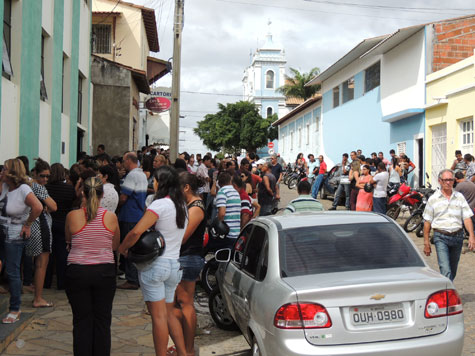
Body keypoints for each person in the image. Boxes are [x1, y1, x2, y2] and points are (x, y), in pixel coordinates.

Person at [119, 166, 188, 356]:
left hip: (156, 266)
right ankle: (182, 352)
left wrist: (121, 248)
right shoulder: (182, 206)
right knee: (168, 313)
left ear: (161, 182)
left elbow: (136, 231)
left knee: (158, 317)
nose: (153, 184)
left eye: (155, 180)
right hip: (174, 265)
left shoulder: (160, 205)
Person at [65, 177, 120, 356]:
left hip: (78, 270)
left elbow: (68, 240)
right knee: (102, 320)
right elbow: (114, 245)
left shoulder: (72, 216)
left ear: (82, 192)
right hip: (104, 270)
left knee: (81, 320)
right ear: (102, 194)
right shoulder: (111, 217)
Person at [0, 159, 42, 324]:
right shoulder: (4, 186)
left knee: (12, 271)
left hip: (15, 234)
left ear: (12, 172)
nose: (2, 170)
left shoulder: (23, 189)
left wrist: (28, 224)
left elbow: (38, 207)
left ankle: (15, 309)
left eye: (4, 168)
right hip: (1, 232)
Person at [423, 169, 475, 281]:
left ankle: (446, 290)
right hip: (441, 237)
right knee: (445, 269)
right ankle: (447, 296)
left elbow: (467, 217)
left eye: (450, 180)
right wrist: (426, 242)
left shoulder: (459, 197)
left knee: (453, 269)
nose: (448, 182)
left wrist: (471, 235)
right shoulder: (433, 199)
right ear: (440, 181)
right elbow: (427, 222)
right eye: (445, 180)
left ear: (454, 181)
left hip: (457, 237)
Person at [175, 172, 206, 356]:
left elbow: (184, 236)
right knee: (179, 304)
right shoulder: (189, 204)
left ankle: (188, 350)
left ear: (186, 187)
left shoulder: (197, 207)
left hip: (188, 258)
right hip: (184, 258)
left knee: (185, 304)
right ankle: (183, 348)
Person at [27, 158, 58, 308]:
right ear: (35, 173)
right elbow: (54, 206)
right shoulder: (38, 187)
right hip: (40, 227)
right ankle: (38, 298)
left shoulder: (26, 184)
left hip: (32, 226)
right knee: (42, 264)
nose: (45, 179)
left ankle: (35, 293)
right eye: (42, 176)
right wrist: (47, 208)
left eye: (47, 176)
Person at [117, 152, 148, 290]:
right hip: (138, 214)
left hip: (129, 215)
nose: (123, 164)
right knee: (135, 247)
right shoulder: (142, 175)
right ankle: (135, 277)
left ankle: (132, 279)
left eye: (124, 161)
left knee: (128, 246)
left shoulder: (132, 175)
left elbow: (124, 197)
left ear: (129, 161)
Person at [44, 163, 77, 290]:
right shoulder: (69, 188)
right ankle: (62, 282)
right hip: (64, 223)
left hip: (49, 222)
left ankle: (46, 281)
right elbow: (73, 202)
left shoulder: (46, 188)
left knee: (48, 253)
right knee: (63, 254)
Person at [215, 172, 241, 238]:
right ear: (230, 181)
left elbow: (222, 213)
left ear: (218, 183)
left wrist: (218, 227)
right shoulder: (236, 192)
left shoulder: (222, 192)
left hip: (226, 233)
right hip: (236, 232)